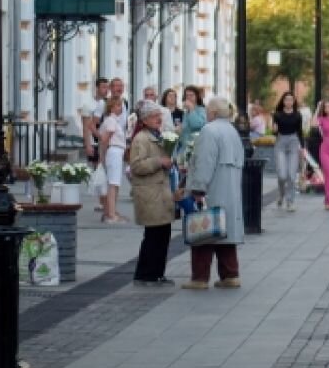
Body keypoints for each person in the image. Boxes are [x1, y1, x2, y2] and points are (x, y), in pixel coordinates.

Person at [182, 96, 245, 290]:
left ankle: (200, 277)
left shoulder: (209, 130)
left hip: (213, 188)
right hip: (230, 188)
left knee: (204, 231)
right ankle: (230, 274)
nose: (206, 113)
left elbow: (204, 162)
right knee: (225, 232)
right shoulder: (232, 130)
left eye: (208, 110)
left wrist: (198, 188)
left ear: (214, 113)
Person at [128, 100, 176, 286]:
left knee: (163, 234)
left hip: (160, 192)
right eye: (155, 116)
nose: (159, 118)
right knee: (153, 235)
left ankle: (157, 272)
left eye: (160, 115)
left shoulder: (158, 135)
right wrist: (159, 162)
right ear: (145, 119)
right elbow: (136, 166)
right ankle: (145, 273)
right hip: (150, 193)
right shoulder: (141, 138)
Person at [98, 95, 128, 224]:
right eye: (117, 105)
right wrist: (102, 157)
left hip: (116, 152)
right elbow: (105, 140)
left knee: (114, 184)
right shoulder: (111, 120)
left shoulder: (114, 120)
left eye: (120, 105)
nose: (120, 107)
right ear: (111, 107)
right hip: (114, 151)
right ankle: (111, 214)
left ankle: (111, 211)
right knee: (113, 184)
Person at [272, 92, 303, 212]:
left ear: (294, 102)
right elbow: (274, 131)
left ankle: (290, 202)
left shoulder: (297, 115)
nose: (289, 102)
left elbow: (299, 131)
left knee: (291, 174)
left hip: (293, 142)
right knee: (282, 175)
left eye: (291, 100)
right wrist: (274, 130)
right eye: (286, 100)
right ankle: (281, 194)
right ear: (283, 101)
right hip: (281, 143)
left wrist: (303, 147)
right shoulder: (277, 115)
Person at [83, 77, 110, 164]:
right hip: (94, 141)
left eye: (107, 87)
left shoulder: (108, 103)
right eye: (103, 87)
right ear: (97, 88)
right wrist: (88, 145)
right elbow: (86, 126)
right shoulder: (88, 105)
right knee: (97, 167)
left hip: (106, 141)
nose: (106, 90)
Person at [176, 86, 206, 161]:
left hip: (196, 149)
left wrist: (191, 109)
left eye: (191, 95)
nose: (189, 97)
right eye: (187, 95)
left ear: (197, 97)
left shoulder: (201, 110)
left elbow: (196, 125)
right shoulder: (186, 112)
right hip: (185, 148)